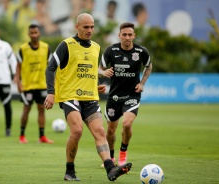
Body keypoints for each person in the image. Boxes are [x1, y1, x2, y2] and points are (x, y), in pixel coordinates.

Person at [44, 13, 132, 181]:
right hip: (70, 96)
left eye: (92, 27)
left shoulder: (96, 47)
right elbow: (50, 68)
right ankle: (70, 170)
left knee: (100, 131)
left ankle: (110, 169)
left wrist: (94, 85)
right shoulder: (66, 45)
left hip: (90, 97)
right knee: (77, 131)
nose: (90, 30)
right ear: (76, 27)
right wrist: (50, 92)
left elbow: (89, 71)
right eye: (86, 27)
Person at [99, 22, 152, 167]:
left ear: (134, 36)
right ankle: (110, 157)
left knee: (127, 124)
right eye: (124, 34)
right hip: (114, 96)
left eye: (130, 35)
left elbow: (149, 67)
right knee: (110, 130)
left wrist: (142, 83)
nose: (127, 37)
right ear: (119, 35)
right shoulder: (111, 50)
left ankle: (123, 152)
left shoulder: (141, 52)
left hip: (132, 95)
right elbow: (99, 68)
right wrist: (103, 72)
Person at [14, 24, 54, 144]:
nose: (34, 35)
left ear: (39, 33)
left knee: (41, 109)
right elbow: (18, 65)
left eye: (36, 32)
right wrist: (17, 80)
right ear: (28, 34)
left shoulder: (46, 48)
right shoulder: (23, 49)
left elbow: (51, 67)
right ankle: (21, 135)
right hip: (28, 85)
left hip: (42, 84)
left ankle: (42, 136)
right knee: (26, 109)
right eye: (31, 33)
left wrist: (52, 83)